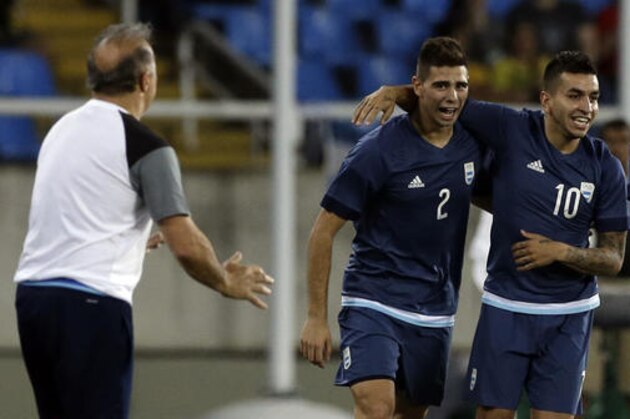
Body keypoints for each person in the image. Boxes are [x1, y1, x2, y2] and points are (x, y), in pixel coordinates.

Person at [13, 22, 273, 419]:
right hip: (91, 304)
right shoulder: (145, 145)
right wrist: (224, 280)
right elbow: (185, 244)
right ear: (146, 80)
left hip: (34, 301)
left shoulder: (60, 129)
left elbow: (71, 212)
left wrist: (131, 239)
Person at [352, 51, 629, 419]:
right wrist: (394, 92)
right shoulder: (513, 129)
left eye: (593, 97)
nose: (587, 107)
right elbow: (447, 101)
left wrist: (561, 252)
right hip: (507, 306)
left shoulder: (605, 167)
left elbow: (613, 258)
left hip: (568, 314)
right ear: (547, 100)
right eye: (575, 95)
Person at [300, 37, 485, 419]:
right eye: (440, 85)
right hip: (374, 299)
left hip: (434, 308)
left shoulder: (472, 141)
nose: (452, 96)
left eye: (460, 85)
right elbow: (322, 231)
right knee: (376, 407)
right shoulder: (377, 151)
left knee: (409, 414)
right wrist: (316, 316)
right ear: (417, 86)